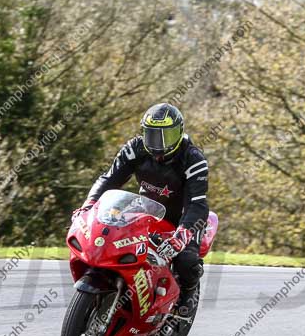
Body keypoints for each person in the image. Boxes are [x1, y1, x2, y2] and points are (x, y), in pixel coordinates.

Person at [73, 103, 209, 318]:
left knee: (187, 261)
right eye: (152, 135)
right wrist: (88, 206)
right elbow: (109, 179)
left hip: (183, 218)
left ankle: (186, 300)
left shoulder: (193, 159)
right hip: (147, 211)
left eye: (166, 135)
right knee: (109, 235)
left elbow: (198, 204)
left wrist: (181, 235)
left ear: (180, 131)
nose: (158, 143)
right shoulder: (135, 148)